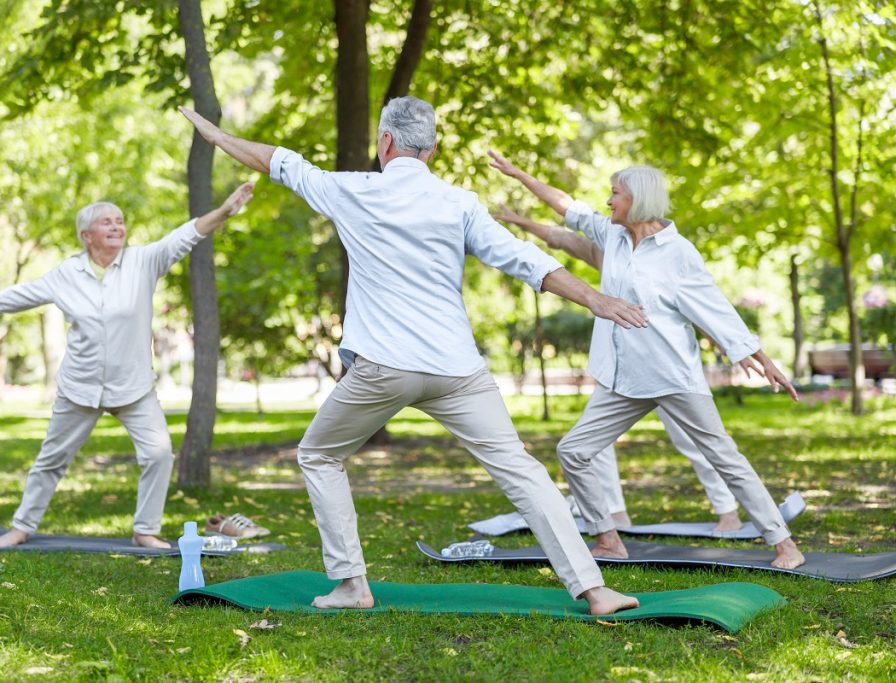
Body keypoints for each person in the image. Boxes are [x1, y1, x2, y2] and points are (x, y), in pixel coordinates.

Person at [180, 96, 647, 614]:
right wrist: (596, 298)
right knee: (521, 470)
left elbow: (276, 160)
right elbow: (524, 259)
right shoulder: (459, 202)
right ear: (433, 149)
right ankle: (593, 588)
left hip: (384, 367)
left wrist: (216, 136)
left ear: (384, 144)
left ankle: (352, 585)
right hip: (458, 372)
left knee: (319, 454)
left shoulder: (350, 189)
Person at [488, 151, 805, 569]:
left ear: (636, 199)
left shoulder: (679, 252)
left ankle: (784, 545)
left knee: (724, 457)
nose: (608, 201)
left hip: (673, 376)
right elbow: (567, 206)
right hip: (624, 380)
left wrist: (759, 356)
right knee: (574, 451)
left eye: (615, 194)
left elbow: (715, 306)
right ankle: (608, 538)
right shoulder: (612, 236)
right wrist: (518, 174)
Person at [0, 182, 254, 549]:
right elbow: (24, 294)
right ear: (86, 235)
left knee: (158, 453)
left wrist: (224, 211)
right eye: (107, 222)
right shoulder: (67, 273)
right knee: (51, 460)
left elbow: (186, 235)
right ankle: (22, 526)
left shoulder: (144, 261)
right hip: (80, 387)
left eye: (120, 221)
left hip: (134, 388)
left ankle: (145, 530)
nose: (116, 227)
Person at [492, 204, 743, 532]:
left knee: (691, 439)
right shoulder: (608, 249)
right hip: (621, 366)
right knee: (594, 444)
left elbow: (698, 305)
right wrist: (518, 219)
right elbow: (559, 237)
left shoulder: (666, 254)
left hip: (665, 367)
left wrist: (730, 344)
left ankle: (728, 511)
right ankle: (614, 512)